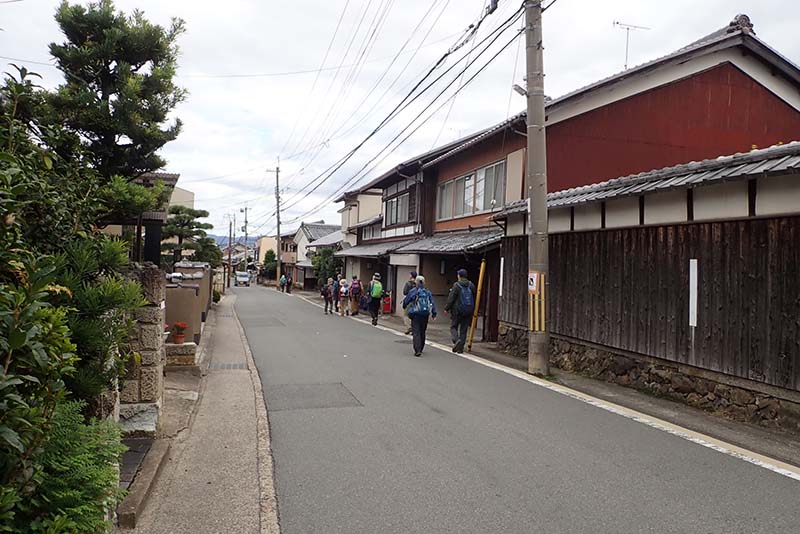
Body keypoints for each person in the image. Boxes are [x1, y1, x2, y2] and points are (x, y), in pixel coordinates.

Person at [402, 275, 437, 357]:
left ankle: (417, 350)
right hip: (425, 314)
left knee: (416, 331)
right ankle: (421, 347)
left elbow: (406, 300)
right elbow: (432, 303)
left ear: (416, 282)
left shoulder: (414, 291)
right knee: (422, 331)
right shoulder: (427, 292)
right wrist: (434, 313)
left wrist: (404, 306)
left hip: (415, 314)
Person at [444, 268, 476, 353]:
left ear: (459, 276)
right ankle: (460, 348)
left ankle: (456, 340)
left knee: (453, 326)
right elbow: (474, 296)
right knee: (464, 329)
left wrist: (447, 308)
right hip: (468, 309)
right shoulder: (471, 285)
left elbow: (451, 298)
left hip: (457, 310)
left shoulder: (456, 285)